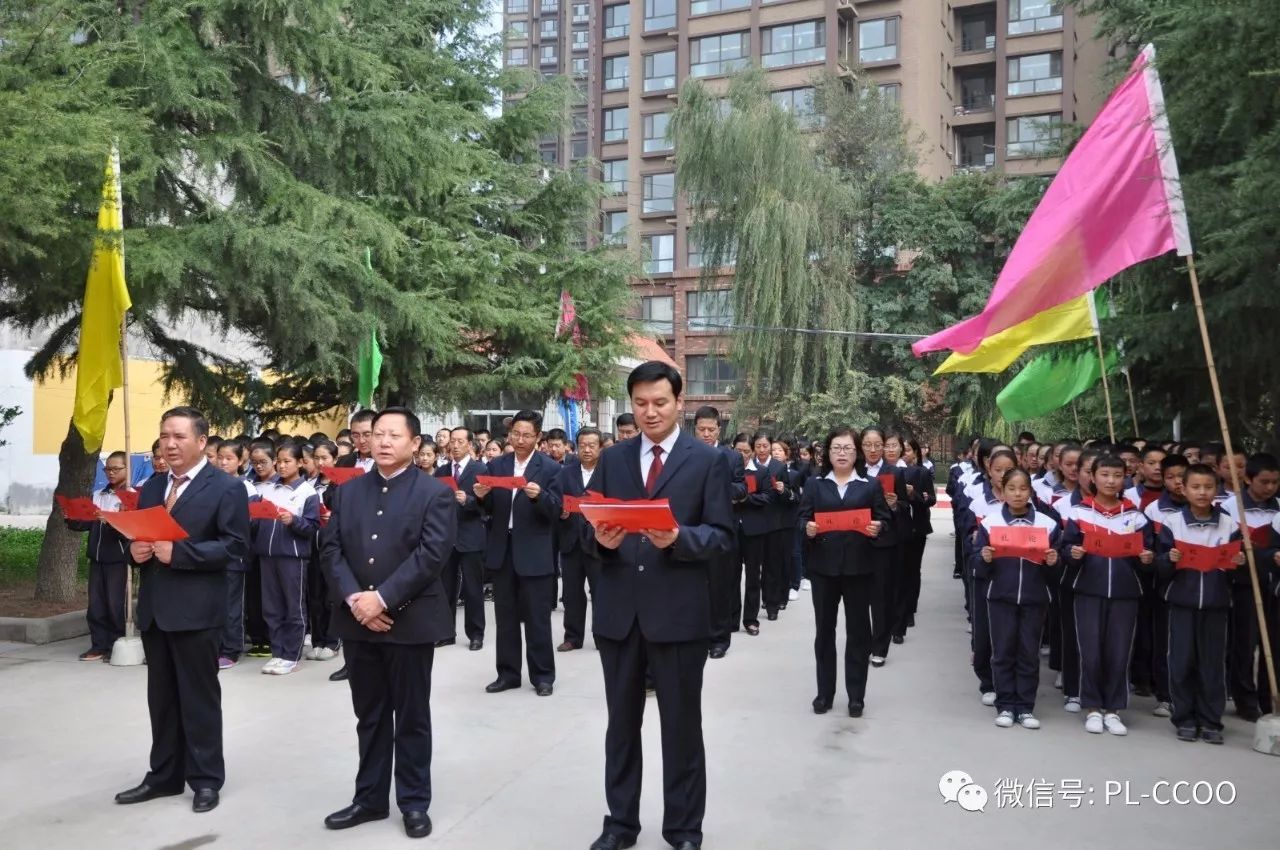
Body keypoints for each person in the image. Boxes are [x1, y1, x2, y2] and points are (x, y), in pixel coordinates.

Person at [587, 361, 733, 850]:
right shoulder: (613, 460)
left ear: (680, 403)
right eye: (641, 403)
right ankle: (620, 823)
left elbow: (721, 537)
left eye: (660, 402)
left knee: (681, 728)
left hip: (678, 613)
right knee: (621, 727)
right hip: (620, 614)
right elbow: (589, 530)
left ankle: (684, 828)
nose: (650, 412)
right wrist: (602, 543)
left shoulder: (708, 461)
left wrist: (678, 538)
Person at [321, 407, 456, 839]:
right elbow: (331, 550)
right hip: (358, 620)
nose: (382, 442)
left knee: (412, 715)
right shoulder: (348, 492)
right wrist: (356, 600)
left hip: (410, 621)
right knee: (371, 715)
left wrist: (382, 599)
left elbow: (431, 556)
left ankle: (414, 802)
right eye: (377, 434)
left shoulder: (433, 493)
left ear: (415, 444)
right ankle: (369, 798)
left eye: (394, 435)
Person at [115, 407, 249, 814]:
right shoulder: (154, 487)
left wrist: (182, 553)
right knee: (163, 699)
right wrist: (133, 552)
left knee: (199, 698)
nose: (169, 445)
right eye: (164, 437)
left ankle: (206, 779)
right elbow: (140, 536)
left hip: (197, 611)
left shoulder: (225, 488)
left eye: (178, 437)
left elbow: (235, 547)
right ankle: (164, 776)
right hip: (156, 610)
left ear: (202, 441)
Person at [798, 428, 890, 717]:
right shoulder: (815, 485)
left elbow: (884, 518)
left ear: (856, 453)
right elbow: (801, 517)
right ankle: (824, 693)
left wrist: (878, 527)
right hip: (823, 569)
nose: (841, 453)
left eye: (848, 448)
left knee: (858, 633)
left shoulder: (869, 485)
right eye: (836, 448)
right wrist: (807, 528)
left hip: (858, 569)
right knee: (824, 631)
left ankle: (856, 696)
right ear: (827, 452)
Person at [1060, 454, 1155, 736]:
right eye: (1105, 475)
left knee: (1119, 652)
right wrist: (1073, 554)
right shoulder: (1080, 513)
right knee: (1090, 651)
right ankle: (1091, 707)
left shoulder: (1136, 516)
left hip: (1125, 594)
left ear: (1125, 477)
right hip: (1088, 591)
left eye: (1117, 475)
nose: (1111, 481)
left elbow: (1146, 554)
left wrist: (1147, 558)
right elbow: (1065, 550)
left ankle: (1113, 709)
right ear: (1093, 477)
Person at [1153, 463, 1246, 743]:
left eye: (1208, 487)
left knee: (1212, 664)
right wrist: (1167, 560)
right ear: (1184, 488)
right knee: (1181, 661)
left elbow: (1236, 571)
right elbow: (1158, 566)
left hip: (1216, 604)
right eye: (1196, 487)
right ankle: (1184, 717)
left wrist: (1239, 564)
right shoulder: (1173, 523)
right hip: (1182, 602)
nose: (1202, 492)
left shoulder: (1230, 524)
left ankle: (1211, 720)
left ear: (1217, 489)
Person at [474, 409, 563, 696]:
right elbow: (486, 511)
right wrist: (480, 498)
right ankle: (508, 673)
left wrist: (540, 498)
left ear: (538, 438)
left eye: (527, 435)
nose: (520, 439)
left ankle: (543, 676)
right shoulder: (497, 465)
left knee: (537, 618)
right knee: (506, 618)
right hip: (503, 549)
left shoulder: (550, 469)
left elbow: (556, 512)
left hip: (534, 553)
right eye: (515, 434)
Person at [973, 469, 1061, 729]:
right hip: (1001, 597)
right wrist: (984, 558)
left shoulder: (1047, 524)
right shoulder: (990, 523)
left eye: (1023, 488)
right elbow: (977, 563)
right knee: (1002, 652)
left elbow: (1055, 569)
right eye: (1012, 488)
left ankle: (1025, 707)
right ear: (1003, 490)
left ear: (1030, 491)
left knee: (1028, 653)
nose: (1018, 493)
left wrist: (1054, 562)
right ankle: (1005, 705)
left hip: (1035, 599)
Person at [252, 442, 320, 675]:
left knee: (294, 607)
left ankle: (291, 655)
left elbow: (312, 527)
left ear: (300, 463)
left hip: (292, 557)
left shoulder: (307, 493)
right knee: (271, 608)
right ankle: (278, 652)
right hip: (267, 555)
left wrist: (294, 521)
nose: (281, 466)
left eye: (287, 461)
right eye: (278, 461)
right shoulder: (267, 489)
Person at [65, 450, 132, 662]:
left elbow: (129, 531)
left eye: (116, 469)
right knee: (96, 604)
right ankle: (98, 645)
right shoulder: (99, 495)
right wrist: (72, 518)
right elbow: (86, 524)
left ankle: (116, 643)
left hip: (118, 558)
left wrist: (113, 520)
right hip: (97, 556)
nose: (110, 473)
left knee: (115, 604)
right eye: (107, 469)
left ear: (127, 469)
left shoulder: (130, 495)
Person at [693, 406, 746, 659]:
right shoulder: (686, 455)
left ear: (719, 429)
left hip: (721, 528)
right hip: (691, 529)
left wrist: (717, 490)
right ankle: (696, 633)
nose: (706, 434)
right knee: (693, 585)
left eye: (710, 429)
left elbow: (741, 489)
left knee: (719, 585)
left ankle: (719, 639)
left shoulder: (731, 457)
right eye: (701, 429)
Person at [436, 426, 489, 651]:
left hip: (471, 535)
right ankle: (446, 632)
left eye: (460, 441)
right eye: (452, 442)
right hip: (447, 536)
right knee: (446, 586)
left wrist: (468, 500)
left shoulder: (481, 469)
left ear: (469, 444)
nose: (455, 446)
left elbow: (489, 506)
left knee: (473, 588)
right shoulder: (442, 471)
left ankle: (476, 633)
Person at [558, 427, 604, 651]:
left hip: (598, 541)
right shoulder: (566, 472)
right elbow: (557, 499)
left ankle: (601, 636)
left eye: (592, 445)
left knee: (601, 592)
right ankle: (572, 637)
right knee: (571, 593)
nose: (586, 450)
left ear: (600, 447)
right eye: (582, 445)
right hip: (571, 540)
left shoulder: (608, 472)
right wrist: (561, 511)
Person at [213, 439, 257, 669]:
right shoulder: (213, 484)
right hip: (214, 554)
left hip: (235, 555)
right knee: (216, 603)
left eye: (229, 458)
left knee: (232, 604)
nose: (222, 462)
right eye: (220, 457)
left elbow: (246, 522)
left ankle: (231, 648)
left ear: (241, 461)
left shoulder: (246, 487)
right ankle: (216, 645)